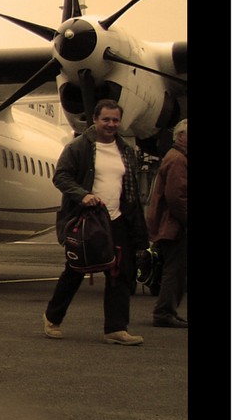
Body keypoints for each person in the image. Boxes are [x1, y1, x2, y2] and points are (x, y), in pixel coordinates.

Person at [41, 99, 148, 345]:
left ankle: (116, 328)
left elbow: (128, 189)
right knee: (77, 269)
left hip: (118, 218)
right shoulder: (79, 147)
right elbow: (61, 176)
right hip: (88, 218)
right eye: (106, 119)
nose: (111, 124)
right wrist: (83, 195)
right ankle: (52, 316)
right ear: (95, 120)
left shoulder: (126, 151)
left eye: (115, 120)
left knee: (120, 273)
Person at [145, 119, 187, 328]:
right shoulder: (178, 159)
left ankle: (167, 310)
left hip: (171, 224)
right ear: (181, 136)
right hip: (174, 225)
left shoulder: (175, 157)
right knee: (175, 269)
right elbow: (177, 197)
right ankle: (164, 312)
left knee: (177, 269)